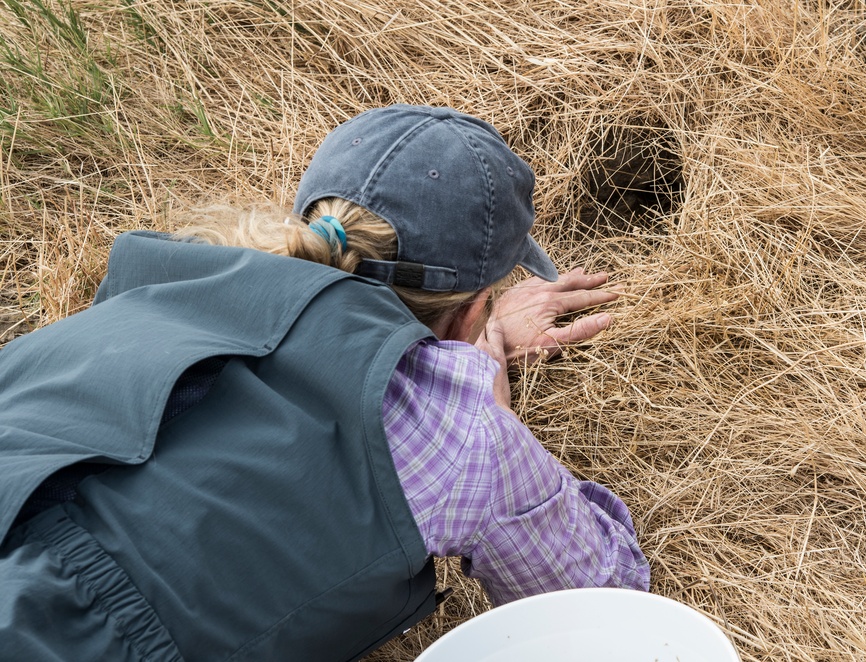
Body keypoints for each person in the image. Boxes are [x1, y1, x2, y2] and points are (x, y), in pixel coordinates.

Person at [0, 104, 649, 661]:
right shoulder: (460, 436)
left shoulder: (156, 288)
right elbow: (600, 608)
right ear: (474, 310)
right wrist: (478, 396)